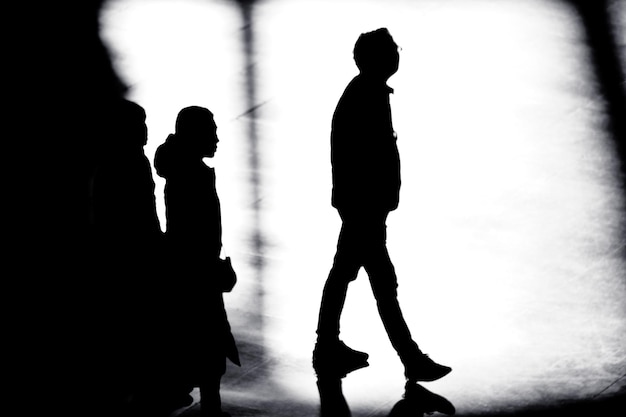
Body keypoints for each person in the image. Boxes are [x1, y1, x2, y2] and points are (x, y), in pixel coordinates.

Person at [313, 28, 452, 386]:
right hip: (364, 208)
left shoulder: (368, 93)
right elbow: (363, 158)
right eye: (392, 50)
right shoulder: (367, 98)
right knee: (379, 283)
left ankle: (329, 345)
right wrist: (372, 205)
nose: (396, 55)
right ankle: (410, 357)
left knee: (350, 275)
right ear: (376, 58)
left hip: (364, 207)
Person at [154, 106, 240, 417]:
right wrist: (212, 267)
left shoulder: (182, 169)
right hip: (197, 273)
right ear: (195, 136)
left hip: (195, 269)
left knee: (201, 343)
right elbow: (195, 232)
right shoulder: (191, 176)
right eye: (210, 131)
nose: (217, 138)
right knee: (207, 344)